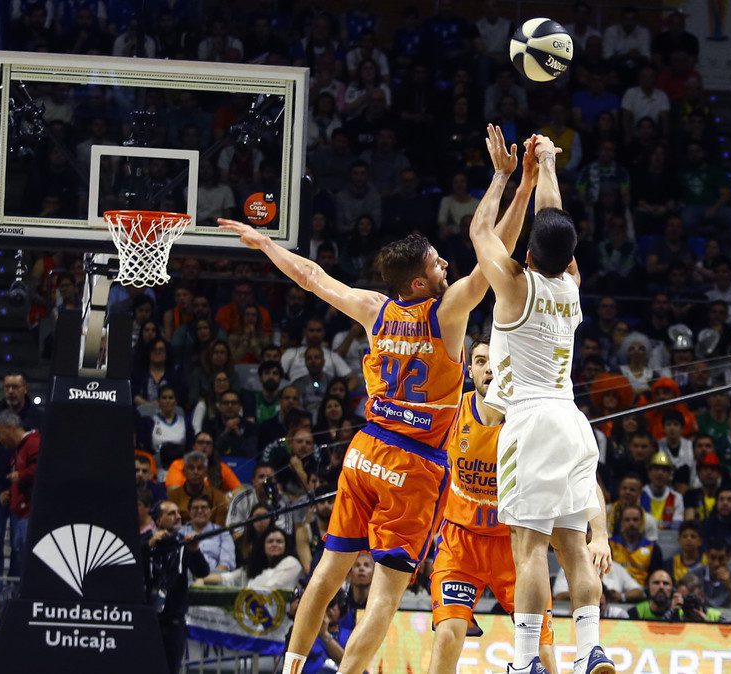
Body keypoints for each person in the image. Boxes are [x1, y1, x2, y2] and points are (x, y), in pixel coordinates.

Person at [222, 124, 533, 674]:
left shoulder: (374, 309)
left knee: (327, 570)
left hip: (364, 452)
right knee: (384, 598)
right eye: (438, 263)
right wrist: (510, 179)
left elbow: (314, 277)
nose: (445, 266)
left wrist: (266, 242)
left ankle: (292, 669)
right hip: (414, 466)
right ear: (419, 284)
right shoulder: (447, 315)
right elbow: (494, 254)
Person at [469, 129, 614, 674]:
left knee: (528, 550)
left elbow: (481, 229)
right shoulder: (571, 285)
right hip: (574, 421)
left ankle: (526, 660)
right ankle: (590, 651)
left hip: (529, 423)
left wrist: (509, 175)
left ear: (527, 253)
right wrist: (549, 163)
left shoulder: (513, 286)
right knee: (573, 548)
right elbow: (558, 225)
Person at [427, 338, 557, 674]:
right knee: (447, 636)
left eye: (496, 360)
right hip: (460, 542)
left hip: (514, 547)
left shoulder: (529, 419)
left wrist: (597, 532)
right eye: (481, 361)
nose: (489, 368)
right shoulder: (452, 411)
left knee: (542, 650)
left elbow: (579, 472)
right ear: (470, 370)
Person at [0, 372, 44, 582]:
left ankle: (15, 586)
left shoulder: (38, 419)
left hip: (24, 492)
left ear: (25, 388)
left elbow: (41, 462)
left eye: (15, 387)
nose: (11, 391)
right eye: (7, 387)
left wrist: (21, 476)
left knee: (19, 542)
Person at [143, 500, 210, 674]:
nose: (178, 517)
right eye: (171, 513)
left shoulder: (184, 545)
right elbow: (132, 564)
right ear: (158, 520)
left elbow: (202, 571)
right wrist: (149, 545)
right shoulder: (146, 544)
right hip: (148, 622)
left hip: (174, 624)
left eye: (178, 513)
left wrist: (195, 550)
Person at [177, 493, 236, 572]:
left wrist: (206, 579)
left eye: (204, 507)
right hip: (185, 579)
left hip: (213, 579)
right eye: (195, 508)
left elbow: (226, 564)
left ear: (211, 511)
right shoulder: (180, 532)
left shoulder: (222, 533)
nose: (199, 511)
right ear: (189, 512)